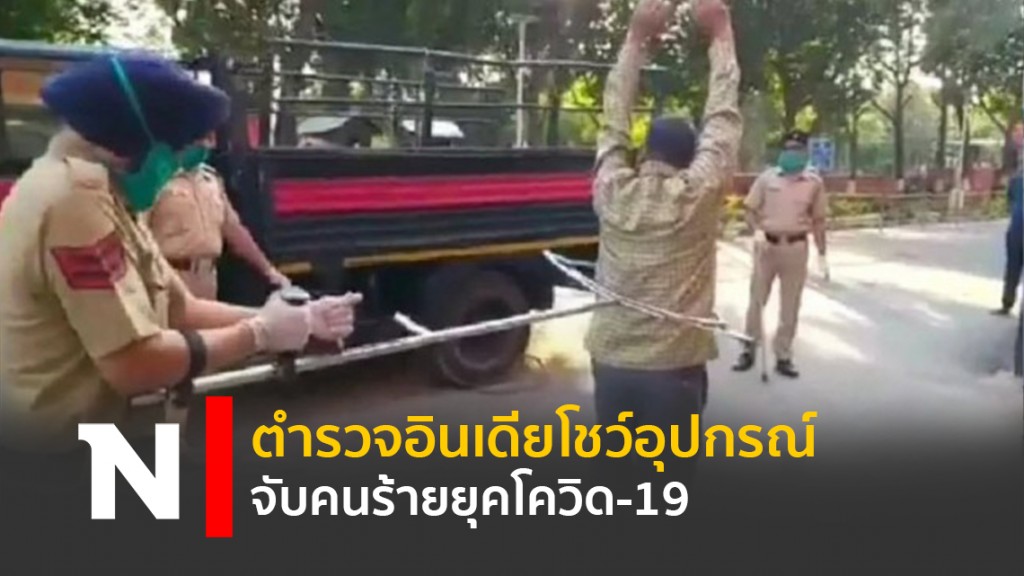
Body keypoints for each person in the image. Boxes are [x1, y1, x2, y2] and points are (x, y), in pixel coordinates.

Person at [0, 54, 361, 458]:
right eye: (171, 153)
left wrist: (298, 319)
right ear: (130, 141)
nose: (174, 167)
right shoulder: (72, 202)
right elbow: (133, 363)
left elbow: (180, 307)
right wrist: (259, 333)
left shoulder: (106, 196)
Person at [586, 0, 742, 488]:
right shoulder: (697, 194)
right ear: (689, 158)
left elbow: (612, 119)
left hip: (611, 363)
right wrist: (721, 33)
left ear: (643, 152)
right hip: (672, 370)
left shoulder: (612, 191)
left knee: (617, 484)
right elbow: (722, 119)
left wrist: (635, 40)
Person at [145, 132, 289, 300]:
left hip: (207, 278)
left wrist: (268, 270)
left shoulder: (210, 179)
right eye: (205, 138)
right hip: (168, 277)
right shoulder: (156, 179)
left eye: (212, 139)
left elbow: (234, 230)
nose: (210, 145)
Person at [733, 129, 828, 379]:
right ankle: (748, 348)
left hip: (796, 248)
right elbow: (750, 210)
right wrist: (756, 231)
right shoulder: (767, 179)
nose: (791, 153)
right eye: (787, 149)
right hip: (766, 246)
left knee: (790, 305)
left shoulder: (814, 183)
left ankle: (783, 355)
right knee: (757, 300)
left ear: (805, 153)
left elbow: (819, 220)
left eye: (796, 149)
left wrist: (822, 253)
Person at [993, 122, 1023, 317]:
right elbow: (1010, 201)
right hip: (1016, 229)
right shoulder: (1016, 177)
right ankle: (1007, 303)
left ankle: (1007, 304)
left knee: (1013, 267)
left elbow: (1010, 201)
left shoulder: (1016, 178)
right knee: (1012, 267)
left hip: (1016, 228)